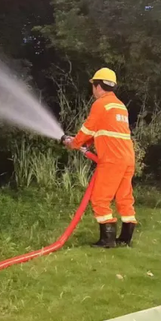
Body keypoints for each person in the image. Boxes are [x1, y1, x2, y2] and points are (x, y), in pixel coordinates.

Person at [62, 68, 136, 248]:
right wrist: (88, 142)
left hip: (112, 159)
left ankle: (107, 240)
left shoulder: (101, 104)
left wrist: (74, 143)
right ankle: (125, 238)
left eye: (93, 85)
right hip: (127, 158)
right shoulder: (120, 105)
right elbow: (107, 131)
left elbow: (88, 129)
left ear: (97, 85)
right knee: (124, 197)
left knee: (100, 198)